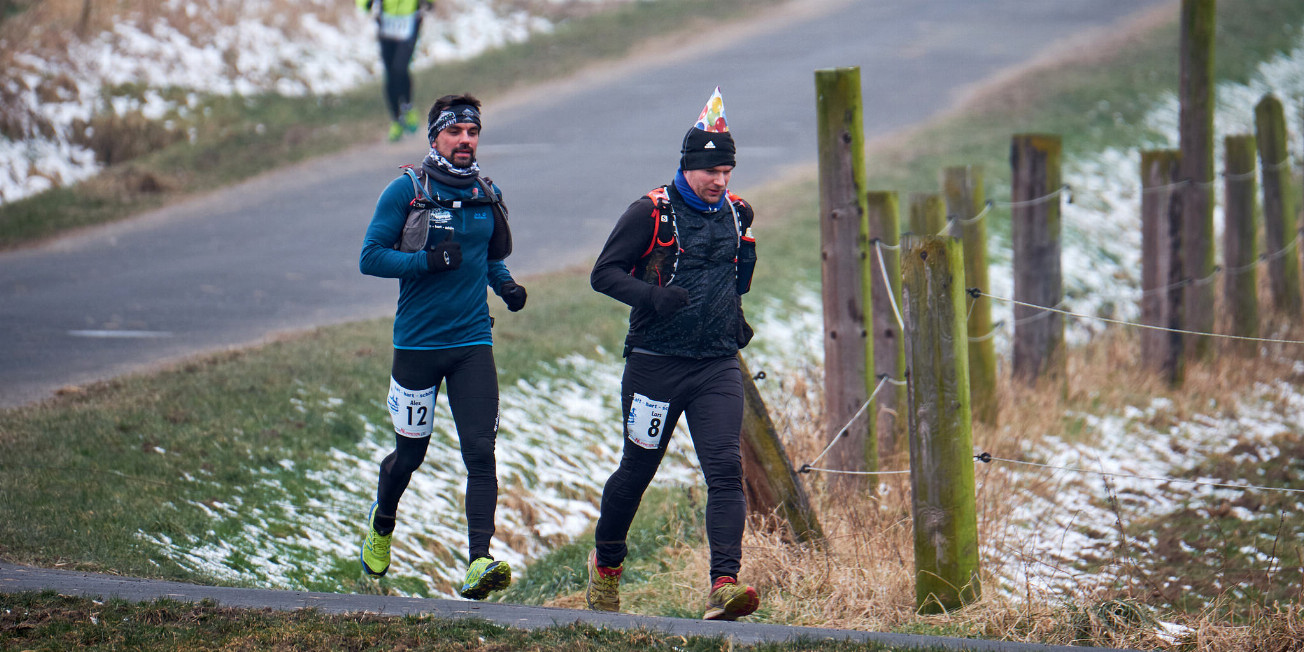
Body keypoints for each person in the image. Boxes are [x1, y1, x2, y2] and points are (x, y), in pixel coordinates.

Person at [586, 87, 760, 621]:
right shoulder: (649, 212)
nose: (721, 181)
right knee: (636, 472)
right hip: (655, 366)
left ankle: (723, 585)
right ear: (688, 168)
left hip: (714, 365)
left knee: (726, 472)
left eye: (728, 170)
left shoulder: (738, 212)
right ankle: (606, 566)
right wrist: (653, 297)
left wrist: (733, 316)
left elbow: (733, 276)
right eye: (712, 171)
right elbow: (603, 274)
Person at [358, 93, 527, 601]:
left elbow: (484, 258)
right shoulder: (407, 190)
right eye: (455, 133)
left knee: (481, 451)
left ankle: (479, 560)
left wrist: (507, 285)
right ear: (435, 137)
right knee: (410, 455)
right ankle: (382, 522)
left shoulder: (486, 192)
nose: (466, 141)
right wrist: (426, 262)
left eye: (473, 133)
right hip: (417, 344)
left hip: (473, 341)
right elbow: (371, 257)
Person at [356, 0, 431, 142]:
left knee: (400, 68)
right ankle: (396, 120)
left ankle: (408, 107)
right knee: (390, 73)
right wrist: (365, 4)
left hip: (410, 19)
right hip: (386, 20)